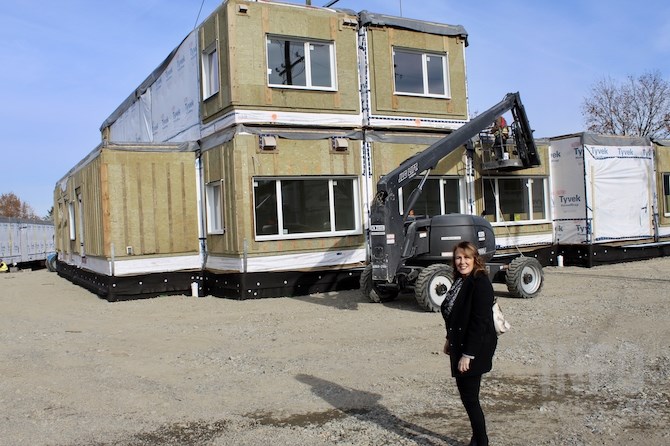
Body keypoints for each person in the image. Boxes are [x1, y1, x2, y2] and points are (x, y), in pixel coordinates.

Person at [441, 241, 497, 446]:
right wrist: (449, 339)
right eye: (458, 258)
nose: (462, 262)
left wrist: (468, 355)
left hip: (475, 347)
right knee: (468, 396)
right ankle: (477, 437)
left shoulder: (480, 282)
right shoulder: (460, 280)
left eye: (466, 258)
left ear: (475, 259)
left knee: (470, 397)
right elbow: (455, 315)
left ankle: (481, 441)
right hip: (460, 343)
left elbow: (479, 322)